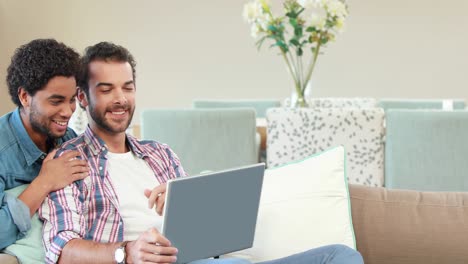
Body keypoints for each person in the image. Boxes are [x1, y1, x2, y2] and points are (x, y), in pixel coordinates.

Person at [40, 42, 363, 264]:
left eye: (127, 87)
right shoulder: (68, 161)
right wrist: (127, 253)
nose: (121, 99)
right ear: (82, 98)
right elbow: (62, 249)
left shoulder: (160, 154)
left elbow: (207, 237)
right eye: (106, 89)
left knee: (338, 255)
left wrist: (185, 204)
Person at [0, 39, 89, 262]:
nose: (68, 111)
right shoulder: (3, 150)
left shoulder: (68, 139)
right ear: (24, 97)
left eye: (71, 100)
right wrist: (44, 183)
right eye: (56, 101)